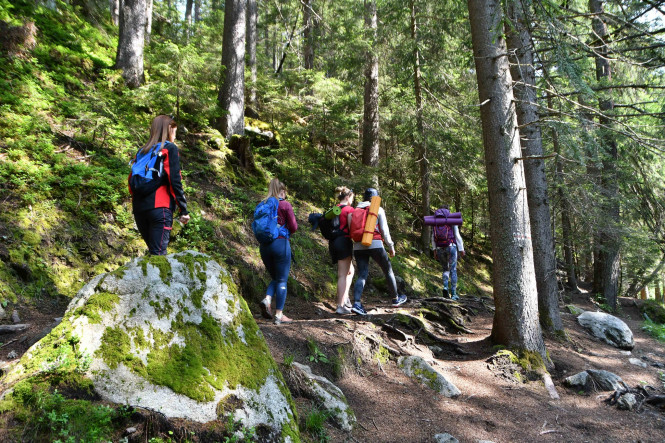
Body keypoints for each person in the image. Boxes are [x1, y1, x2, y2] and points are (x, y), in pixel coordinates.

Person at [130, 115, 190, 255]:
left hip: (139, 209)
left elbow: (133, 179)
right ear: (168, 130)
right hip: (160, 208)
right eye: (174, 132)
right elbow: (174, 180)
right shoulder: (169, 148)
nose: (174, 136)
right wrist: (183, 209)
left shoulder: (142, 151)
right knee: (158, 256)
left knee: (154, 253)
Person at [348, 188, 407, 315]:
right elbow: (385, 231)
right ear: (375, 198)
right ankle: (395, 299)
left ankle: (357, 303)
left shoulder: (355, 210)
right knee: (387, 270)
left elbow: (350, 229)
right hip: (375, 244)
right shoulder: (378, 209)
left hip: (358, 245)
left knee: (362, 274)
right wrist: (391, 246)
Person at [258, 178, 298, 325]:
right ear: (283, 191)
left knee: (275, 277)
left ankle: (267, 299)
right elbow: (293, 227)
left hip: (264, 246)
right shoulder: (285, 205)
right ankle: (279, 315)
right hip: (281, 244)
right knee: (282, 280)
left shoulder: (263, 204)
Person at [329, 186, 355, 315]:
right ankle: (340, 305)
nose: (353, 200)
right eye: (352, 198)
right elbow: (351, 228)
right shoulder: (349, 210)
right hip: (344, 241)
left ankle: (344, 300)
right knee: (342, 275)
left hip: (333, 242)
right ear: (347, 197)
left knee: (350, 271)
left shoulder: (334, 209)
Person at [431, 205, 465, 300]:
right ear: (448, 211)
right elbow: (457, 235)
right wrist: (461, 249)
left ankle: (445, 287)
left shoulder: (435, 220)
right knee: (453, 270)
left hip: (439, 248)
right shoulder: (451, 219)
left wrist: (434, 250)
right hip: (451, 247)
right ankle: (453, 294)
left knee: (445, 269)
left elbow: (433, 236)